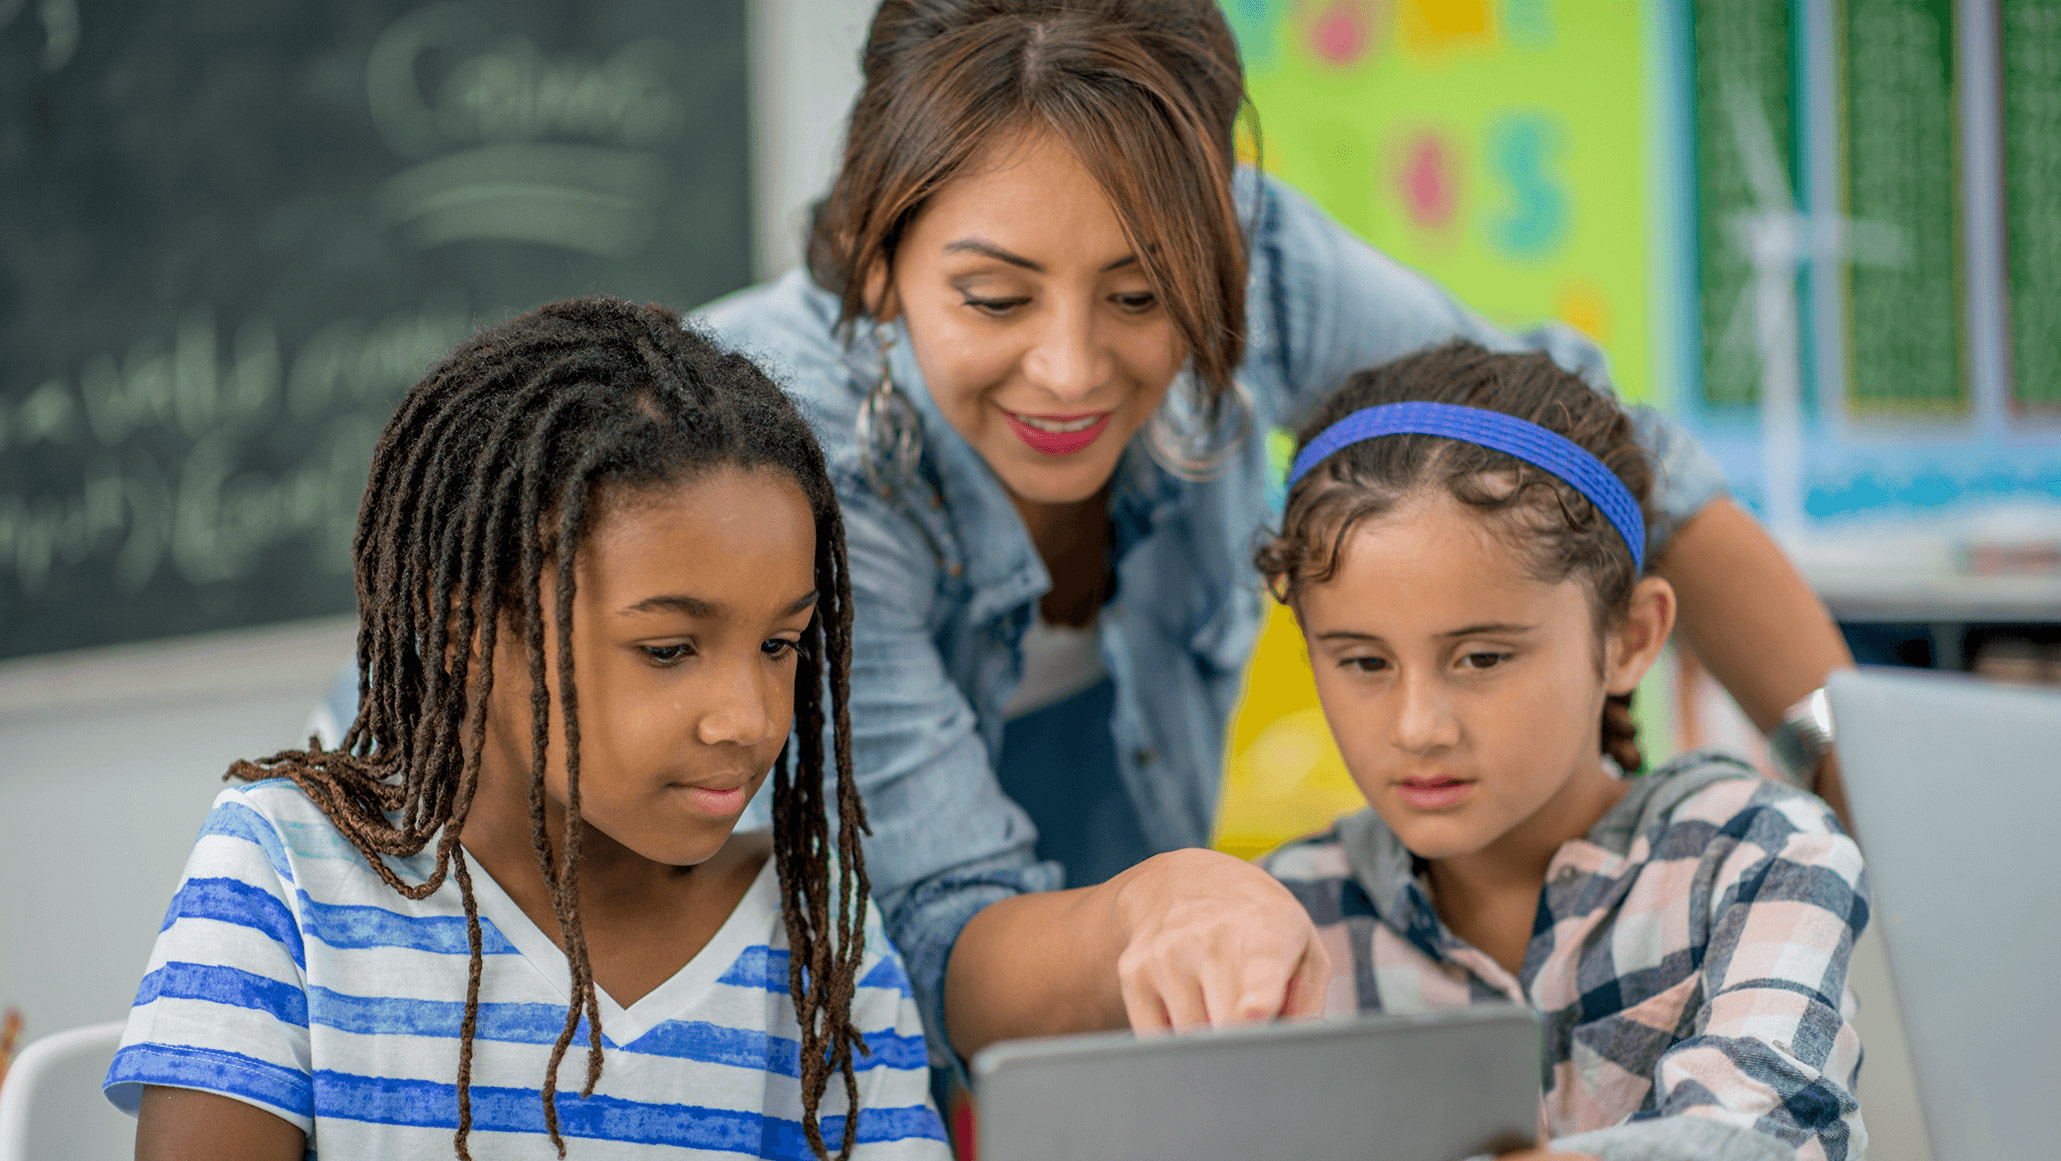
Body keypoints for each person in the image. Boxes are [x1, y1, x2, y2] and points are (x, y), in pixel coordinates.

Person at [318, 0, 1857, 1066]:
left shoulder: (1247, 256)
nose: (1071, 369)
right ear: (875, 257)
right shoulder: (787, 455)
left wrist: (1872, 800)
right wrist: (1159, 906)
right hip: (579, 988)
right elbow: (940, 934)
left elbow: (1613, 463)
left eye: (1142, 295)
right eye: (993, 296)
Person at [106, 299, 950, 1161]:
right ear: (464, 628)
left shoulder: (816, 929)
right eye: (667, 649)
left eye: (779, 644)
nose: (750, 718)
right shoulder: (286, 872)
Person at [1255, 342, 1867, 1161]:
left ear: (1629, 638)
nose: (1417, 727)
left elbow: (1761, 1139)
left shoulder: (1760, 855)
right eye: (1364, 662)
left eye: (1481, 657)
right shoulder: (1282, 916)